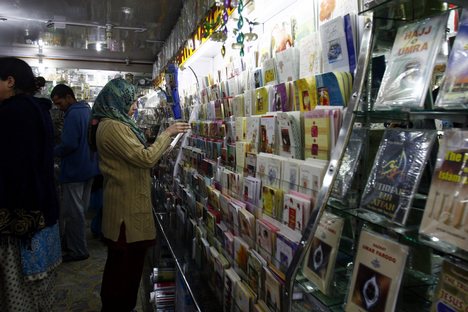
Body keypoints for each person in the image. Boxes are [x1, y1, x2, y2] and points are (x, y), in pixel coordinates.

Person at [90, 78, 190, 312]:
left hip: (125, 205)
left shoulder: (113, 123)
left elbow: (134, 152)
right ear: (118, 100)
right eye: (132, 101)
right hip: (125, 213)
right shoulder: (113, 126)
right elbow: (145, 158)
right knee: (124, 272)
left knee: (123, 271)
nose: (135, 107)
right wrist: (168, 132)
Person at [0, 57, 61, 311]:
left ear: (10, 81)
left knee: (18, 288)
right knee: (39, 290)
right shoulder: (39, 109)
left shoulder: (11, 113)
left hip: (19, 214)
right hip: (42, 208)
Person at [51, 84, 100, 262]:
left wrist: (52, 151)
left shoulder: (73, 114)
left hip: (75, 170)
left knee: (74, 213)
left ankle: (78, 250)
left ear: (69, 97)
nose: (58, 106)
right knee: (80, 210)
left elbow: (69, 144)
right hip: (89, 168)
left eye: (59, 102)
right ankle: (73, 244)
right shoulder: (87, 111)